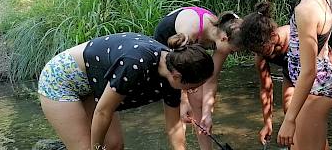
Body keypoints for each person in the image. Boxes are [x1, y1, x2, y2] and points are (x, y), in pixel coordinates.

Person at [38, 32, 214, 150]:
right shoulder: (135, 63)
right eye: (191, 88)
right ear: (177, 76)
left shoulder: (173, 68)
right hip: (61, 80)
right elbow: (103, 111)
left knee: (114, 145)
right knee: (88, 148)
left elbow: (174, 128)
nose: (193, 91)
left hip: (95, 83)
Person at [258, 0, 332, 149]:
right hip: (319, 88)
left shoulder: (305, 9)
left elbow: (308, 70)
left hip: (316, 90)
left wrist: (289, 119)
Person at [237, 1, 332, 146]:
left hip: (312, 72)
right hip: (291, 74)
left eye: (261, 49)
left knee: (307, 122)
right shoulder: (261, 54)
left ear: (273, 35)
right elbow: (266, 88)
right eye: (255, 51)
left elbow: (326, 50)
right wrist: (267, 123)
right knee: (291, 114)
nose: (259, 54)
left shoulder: (292, 35)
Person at [153, 6, 241, 149]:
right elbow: (179, 69)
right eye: (232, 51)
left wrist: (208, 113)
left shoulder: (223, 41)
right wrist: (184, 99)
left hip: (189, 56)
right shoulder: (191, 28)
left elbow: (210, 78)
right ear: (224, 38)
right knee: (178, 108)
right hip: (168, 53)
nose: (231, 54)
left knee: (200, 102)